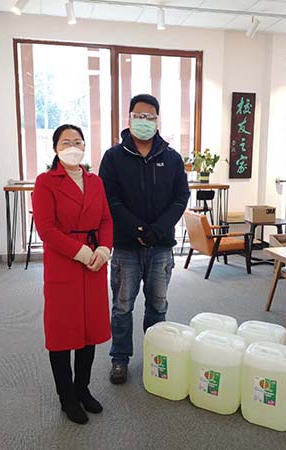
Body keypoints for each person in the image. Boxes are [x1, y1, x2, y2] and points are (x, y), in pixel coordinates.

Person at [99, 94, 190, 384]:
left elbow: (181, 197)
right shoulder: (113, 157)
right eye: (139, 116)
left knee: (158, 306)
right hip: (126, 246)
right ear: (129, 118)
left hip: (161, 246)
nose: (144, 121)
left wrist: (158, 229)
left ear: (157, 120)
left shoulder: (171, 158)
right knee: (122, 306)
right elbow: (109, 199)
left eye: (149, 117)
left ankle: (156, 358)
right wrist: (137, 229)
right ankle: (120, 359)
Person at [32, 124, 113, 425]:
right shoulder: (45, 182)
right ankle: (66, 397)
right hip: (64, 262)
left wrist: (104, 249)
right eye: (66, 142)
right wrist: (81, 252)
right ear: (55, 148)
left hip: (94, 262)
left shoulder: (95, 181)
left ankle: (83, 389)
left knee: (89, 330)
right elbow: (46, 229)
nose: (73, 147)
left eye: (78, 142)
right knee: (62, 333)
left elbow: (106, 219)